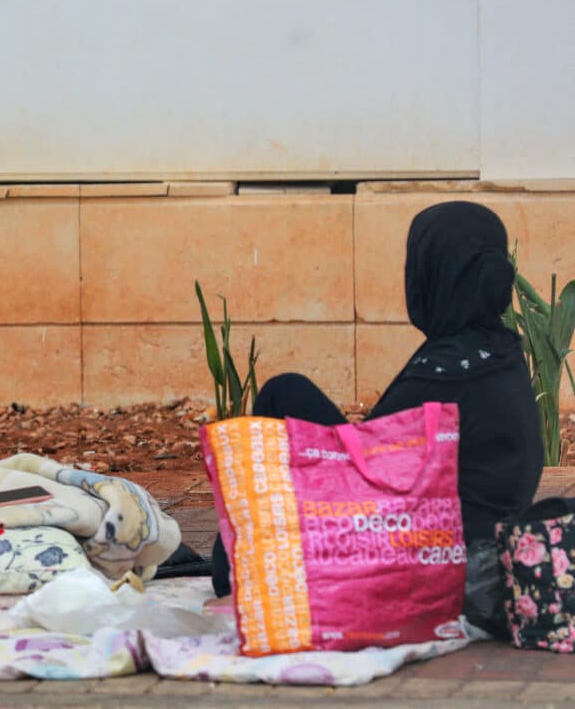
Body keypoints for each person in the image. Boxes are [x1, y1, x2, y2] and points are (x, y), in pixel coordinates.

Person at [210, 201, 544, 636]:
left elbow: (362, 470)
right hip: (479, 547)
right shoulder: (499, 352)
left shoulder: (447, 371)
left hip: (433, 560)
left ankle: (238, 563)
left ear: (436, 274)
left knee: (283, 394)